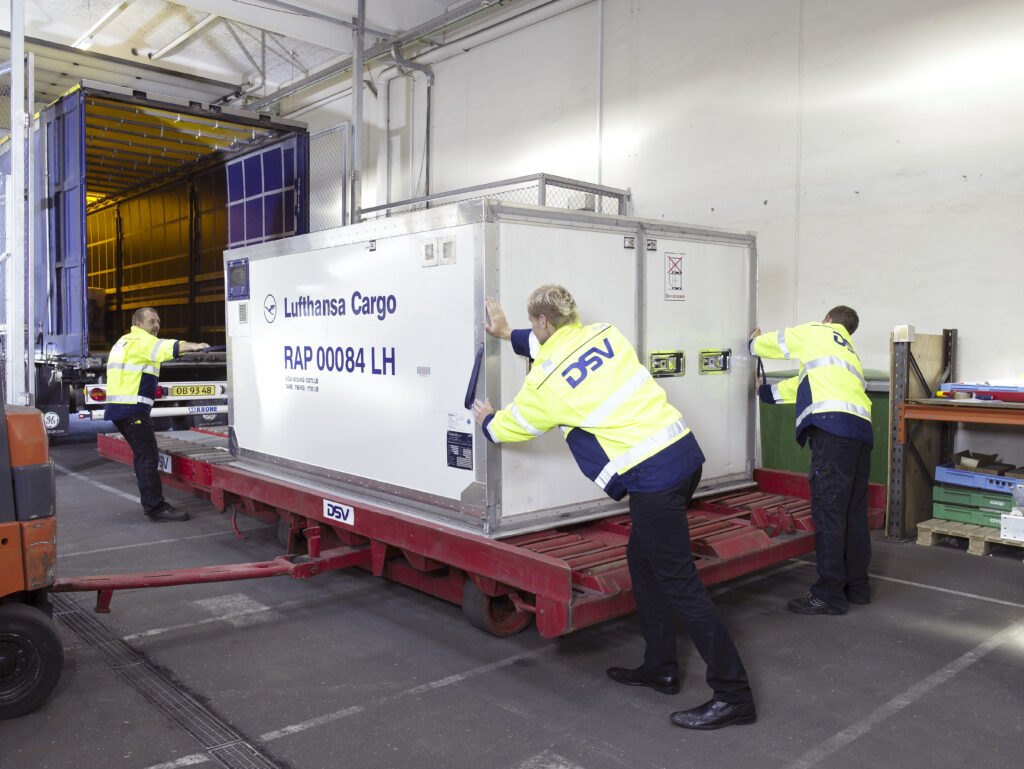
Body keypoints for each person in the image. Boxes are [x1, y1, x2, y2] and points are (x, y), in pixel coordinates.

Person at [472, 286, 755, 731]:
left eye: (533, 325)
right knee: (642, 562)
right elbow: (555, 345)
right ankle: (661, 668)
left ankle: (734, 695)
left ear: (542, 322)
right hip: (683, 458)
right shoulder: (605, 334)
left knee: (681, 585)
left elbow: (514, 425)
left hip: (653, 482)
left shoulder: (545, 382)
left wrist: (487, 419)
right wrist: (507, 333)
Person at [749, 305, 872, 615]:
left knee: (829, 513)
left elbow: (778, 342)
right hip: (861, 434)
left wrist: (753, 343)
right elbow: (804, 384)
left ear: (828, 318)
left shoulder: (817, 332)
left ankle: (827, 595)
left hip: (832, 431)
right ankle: (857, 588)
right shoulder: (848, 353)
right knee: (853, 514)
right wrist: (767, 393)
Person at [104, 307, 209, 522]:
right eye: (152, 321)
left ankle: (153, 504)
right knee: (147, 457)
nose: (157, 325)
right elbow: (167, 347)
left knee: (143, 456)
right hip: (132, 409)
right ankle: (155, 507)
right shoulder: (142, 341)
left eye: (158, 321)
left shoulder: (123, 342)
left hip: (120, 409)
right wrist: (195, 345)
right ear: (138, 324)